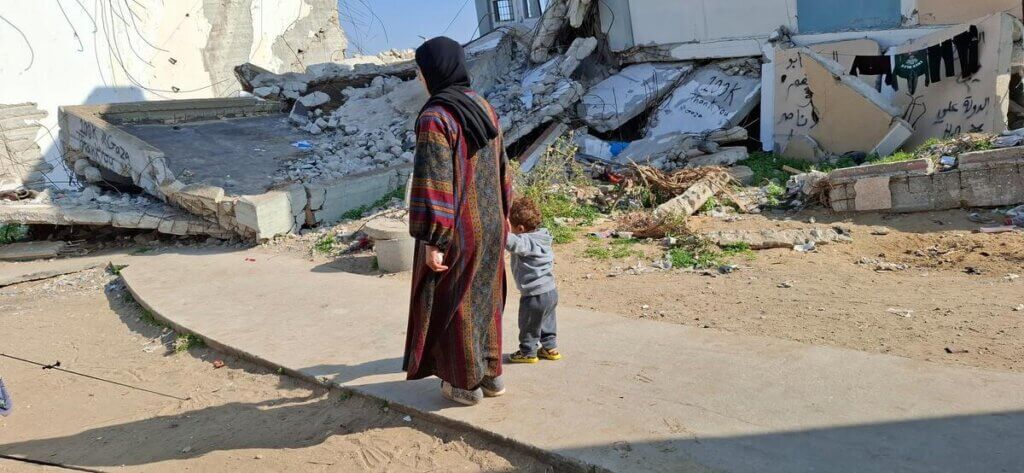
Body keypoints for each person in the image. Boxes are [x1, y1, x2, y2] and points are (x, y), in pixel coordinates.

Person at [403, 36, 512, 406]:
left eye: (421, 71)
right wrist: (505, 217)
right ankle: (491, 374)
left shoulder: (436, 117)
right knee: (486, 296)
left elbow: (434, 183)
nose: (420, 77)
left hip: (458, 231)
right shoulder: (482, 106)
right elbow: (503, 170)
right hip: (493, 223)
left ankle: (464, 384)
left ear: (432, 71)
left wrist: (433, 240)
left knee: (455, 302)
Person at [505, 197, 561, 364]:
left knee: (528, 323)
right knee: (547, 320)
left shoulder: (525, 241)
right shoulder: (542, 235)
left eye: (512, 228)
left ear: (520, 228)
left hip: (533, 294)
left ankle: (528, 352)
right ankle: (550, 348)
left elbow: (511, 242)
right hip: (550, 291)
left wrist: (498, 227)